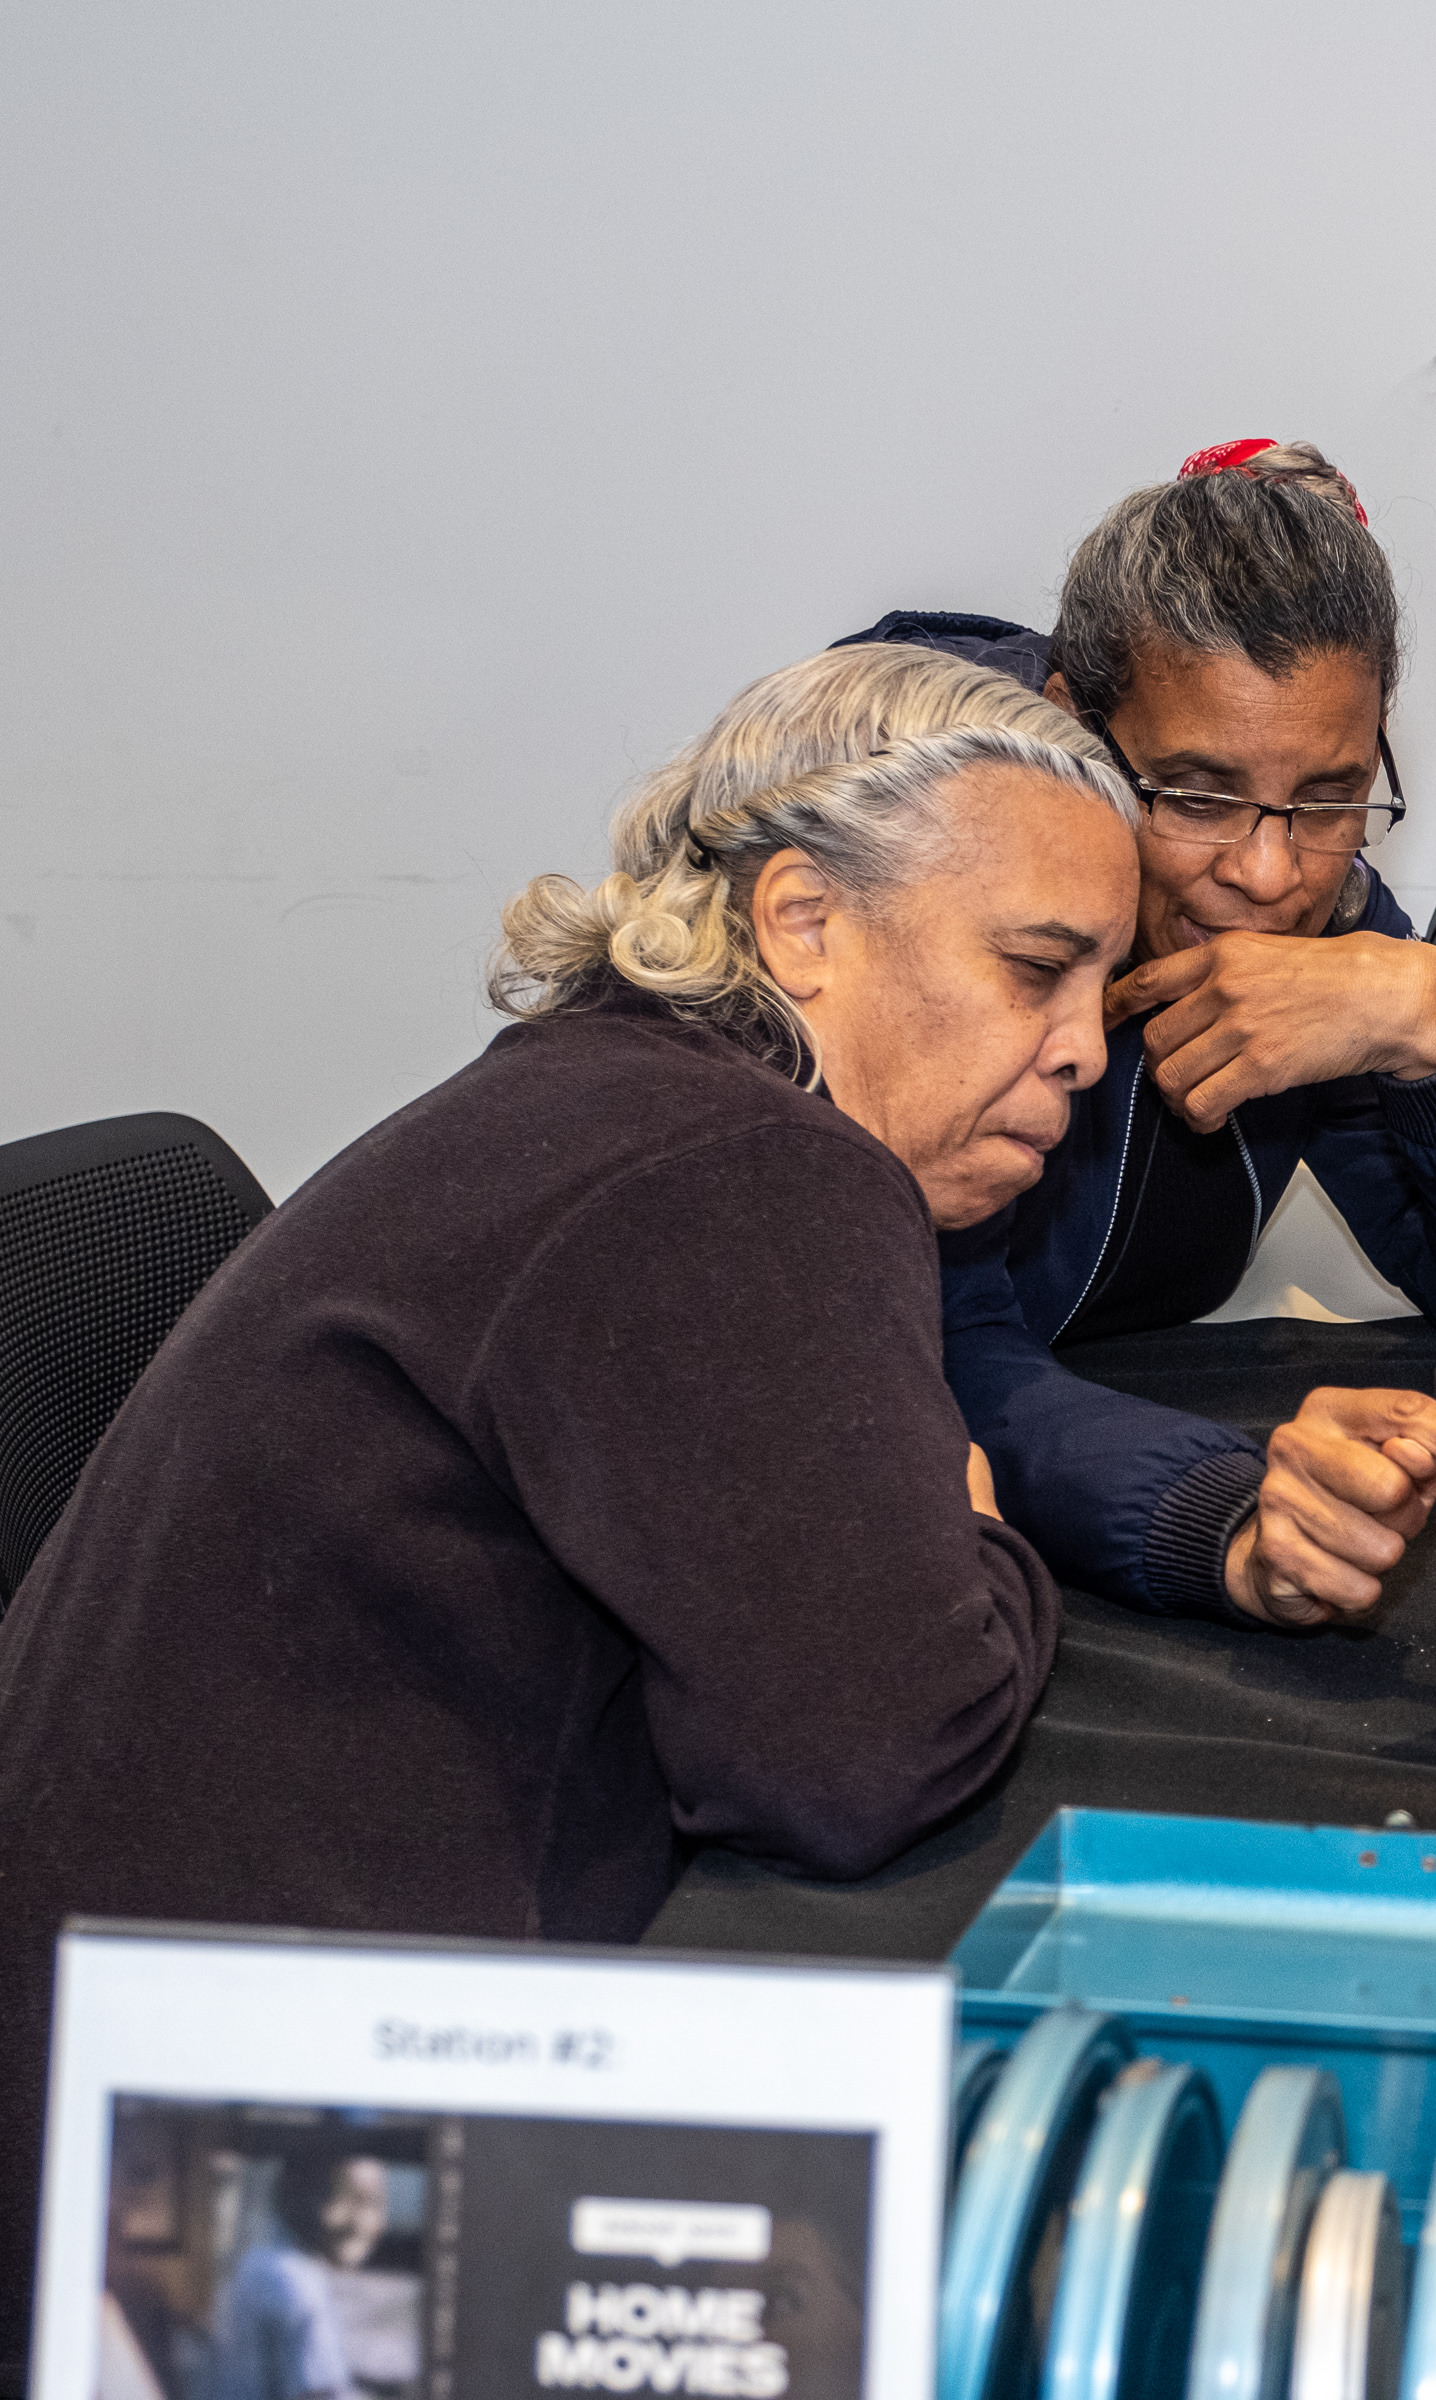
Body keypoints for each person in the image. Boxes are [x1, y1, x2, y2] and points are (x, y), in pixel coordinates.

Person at [0, 644, 1131, 2352]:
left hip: (130, 2091)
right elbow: (864, 1758)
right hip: (249, 2225)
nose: (1087, 1051)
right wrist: (977, 1541)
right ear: (806, 922)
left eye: (1106, 989)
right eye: (1036, 969)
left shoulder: (611, 1097)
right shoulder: (747, 1170)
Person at [843, 438, 1436, 1630]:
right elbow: (936, 1350)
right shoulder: (925, 911)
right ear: (1071, 726)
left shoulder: (1330, 891)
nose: (1268, 874)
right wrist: (1224, 1511)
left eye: (1328, 797)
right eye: (1198, 797)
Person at [206, 2154, 391, 2400]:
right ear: (304, 2199)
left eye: (373, 2203)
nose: (369, 2222)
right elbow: (321, 2396)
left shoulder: (261, 2262)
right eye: (348, 2199)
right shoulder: (296, 2283)